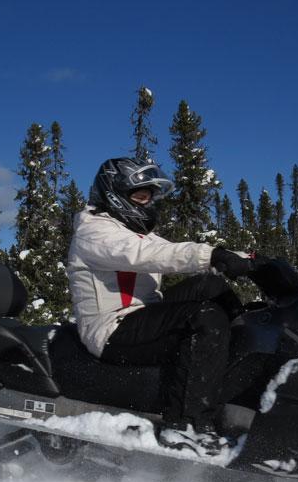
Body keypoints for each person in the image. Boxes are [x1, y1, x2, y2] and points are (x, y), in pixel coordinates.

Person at [66, 156, 256, 456]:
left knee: (211, 286)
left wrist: (249, 260)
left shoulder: (134, 231)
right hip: (112, 330)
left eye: (150, 195)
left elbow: (165, 249)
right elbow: (149, 254)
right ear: (115, 193)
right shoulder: (95, 231)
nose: (146, 201)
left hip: (142, 316)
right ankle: (185, 426)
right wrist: (212, 255)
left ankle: (238, 373)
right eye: (140, 194)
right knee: (203, 317)